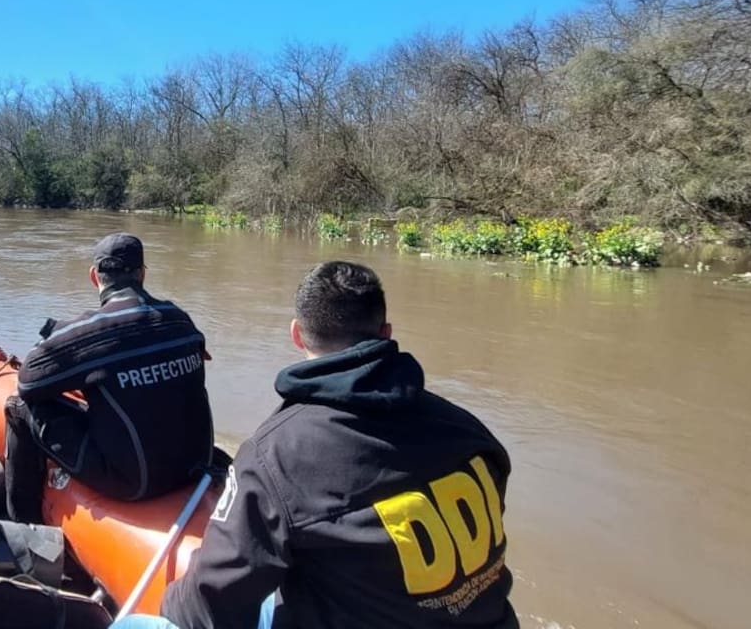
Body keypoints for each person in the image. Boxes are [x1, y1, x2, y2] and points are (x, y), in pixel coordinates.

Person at [151, 261, 517, 629]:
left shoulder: (276, 456)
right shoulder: (468, 429)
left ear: (297, 335)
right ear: (386, 333)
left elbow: (206, 606)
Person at [4, 232, 214, 524]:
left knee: (17, 407)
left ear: (94, 276)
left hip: (136, 483)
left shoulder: (91, 331)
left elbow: (28, 383)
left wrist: (63, 336)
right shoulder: (180, 317)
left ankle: (23, 525)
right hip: (197, 466)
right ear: (142, 273)